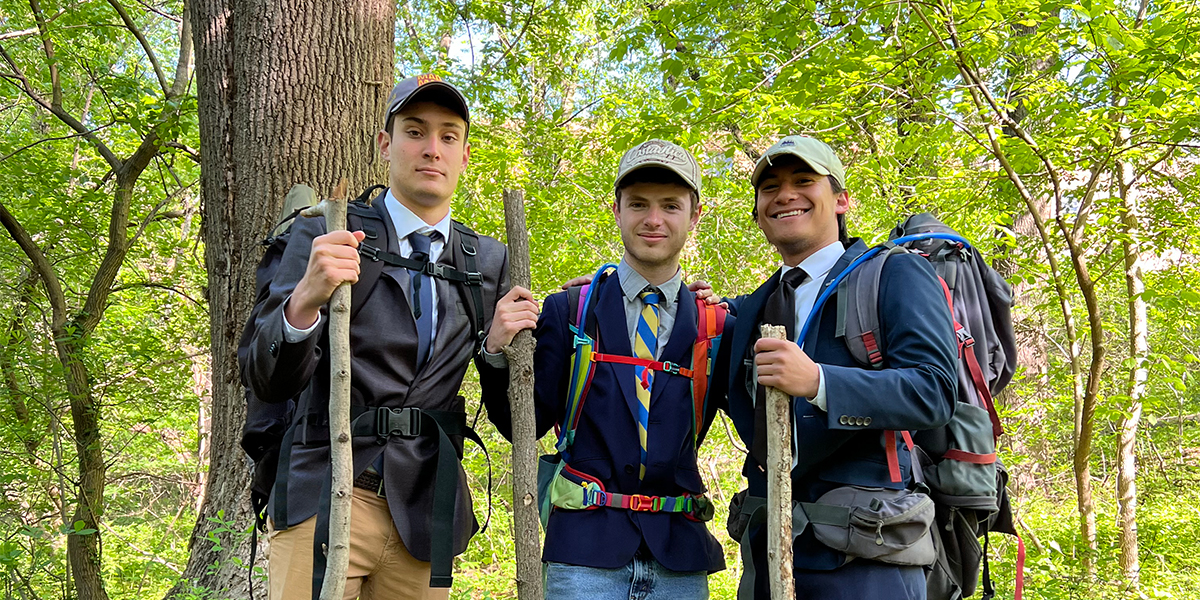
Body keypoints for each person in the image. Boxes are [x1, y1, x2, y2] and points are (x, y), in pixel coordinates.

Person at [243, 74, 532, 600]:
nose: (431, 149)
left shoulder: (487, 261)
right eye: (415, 131)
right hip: (322, 495)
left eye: (448, 136)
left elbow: (516, 420)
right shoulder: (325, 230)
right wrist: (305, 298)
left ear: (464, 155)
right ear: (385, 143)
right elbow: (264, 375)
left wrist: (494, 352)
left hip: (424, 513)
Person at [483, 139, 733, 599]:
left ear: (694, 216)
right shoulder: (571, 311)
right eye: (638, 204)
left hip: (680, 553)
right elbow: (524, 423)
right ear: (616, 210)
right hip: (582, 554)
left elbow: (760, 422)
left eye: (670, 206)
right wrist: (497, 354)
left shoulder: (717, 325)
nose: (653, 219)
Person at [721, 135, 957, 599]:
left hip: (870, 559)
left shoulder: (894, 274)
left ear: (841, 200)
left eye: (804, 181)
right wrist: (599, 296)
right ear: (758, 213)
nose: (785, 194)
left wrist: (819, 382)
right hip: (769, 556)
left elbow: (934, 391)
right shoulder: (754, 307)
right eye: (769, 188)